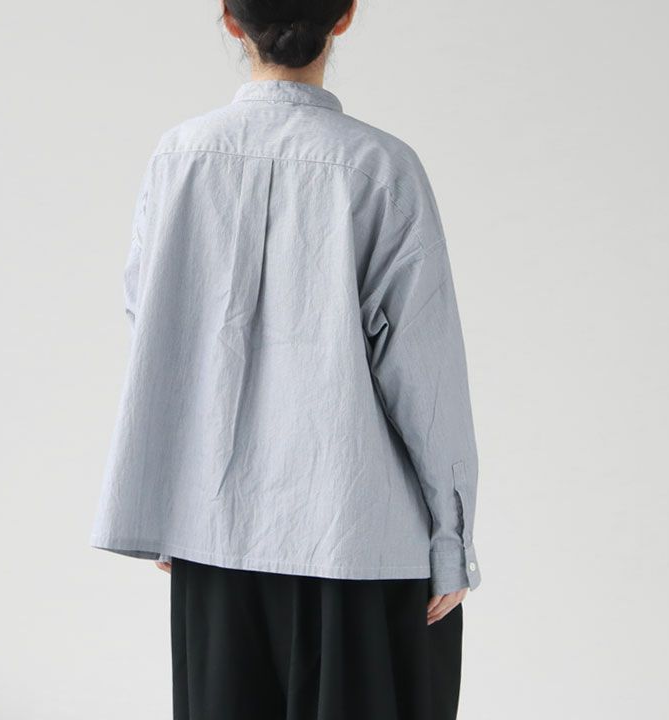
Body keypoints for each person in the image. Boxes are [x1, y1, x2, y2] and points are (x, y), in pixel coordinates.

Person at [89, 0, 482, 717]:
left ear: (230, 19)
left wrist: (172, 494)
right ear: (346, 16)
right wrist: (451, 542)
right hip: (359, 541)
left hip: (214, 534)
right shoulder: (380, 168)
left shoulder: (178, 157)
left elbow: (154, 331)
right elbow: (424, 375)